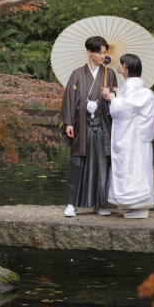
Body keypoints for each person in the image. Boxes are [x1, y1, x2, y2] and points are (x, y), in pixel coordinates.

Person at [59, 36, 119, 217]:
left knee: (102, 164)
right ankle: (72, 204)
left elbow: (116, 104)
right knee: (77, 163)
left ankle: (100, 204)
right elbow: (69, 99)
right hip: (81, 125)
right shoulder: (77, 74)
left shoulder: (110, 74)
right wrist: (69, 122)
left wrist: (108, 98)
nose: (103, 56)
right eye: (100, 53)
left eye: (105, 52)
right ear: (89, 52)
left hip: (102, 124)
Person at [102, 53, 154, 219]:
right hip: (138, 139)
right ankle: (136, 206)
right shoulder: (136, 89)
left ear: (127, 68)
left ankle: (137, 206)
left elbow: (121, 111)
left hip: (133, 140)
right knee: (138, 169)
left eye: (120, 63)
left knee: (134, 169)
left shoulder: (133, 88)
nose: (117, 65)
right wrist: (117, 97)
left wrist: (112, 98)